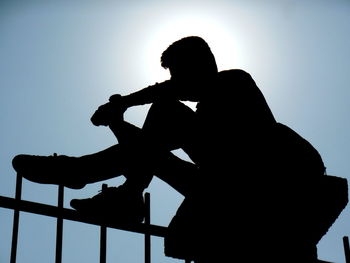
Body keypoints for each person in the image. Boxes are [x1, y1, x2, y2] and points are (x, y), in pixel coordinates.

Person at [12, 36, 335, 262]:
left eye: (179, 72)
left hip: (270, 179)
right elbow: (148, 148)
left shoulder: (235, 82)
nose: (175, 81)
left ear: (201, 65)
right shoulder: (207, 114)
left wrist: (122, 104)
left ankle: (90, 177)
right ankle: (120, 191)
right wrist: (116, 118)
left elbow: (170, 92)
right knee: (158, 130)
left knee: (165, 111)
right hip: (225, 185)